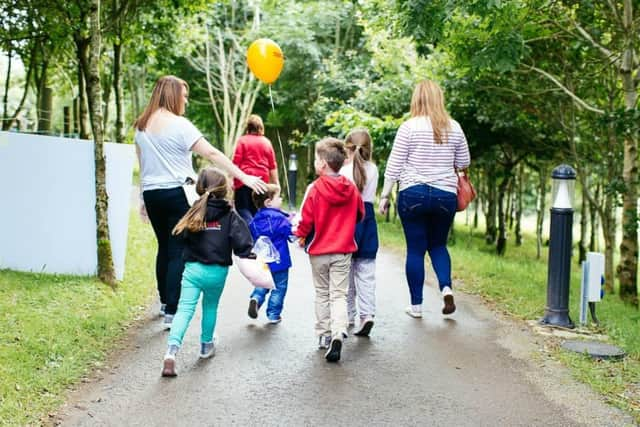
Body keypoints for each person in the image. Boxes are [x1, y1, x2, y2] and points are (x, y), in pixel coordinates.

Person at [134, 76, 266, 328]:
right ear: (172, 95)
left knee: (163, 246)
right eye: (183, 95)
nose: (186, 100)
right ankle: (172, 310)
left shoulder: (141, 127)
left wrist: (142, 197)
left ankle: (164, 302)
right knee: (177, 249)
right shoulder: (180, 125)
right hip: (177, 193)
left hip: (152, 194)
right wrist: (243, 177)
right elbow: (212, 153)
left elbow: (143, 166)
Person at [379, 80, 470, 318]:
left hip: (413, 193)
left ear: (416, 99)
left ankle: (417, 306)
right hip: (445, 195)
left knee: (416, 250)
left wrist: (384, 196)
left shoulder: (409, 127)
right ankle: (446, 288)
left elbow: (394, 165)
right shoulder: (455, 127)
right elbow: (463, 163)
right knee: (438, 245)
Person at [161, 167, 255, 377]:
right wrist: (250, 256)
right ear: (225, 190)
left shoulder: (193, 211)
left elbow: (181, 236)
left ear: (199, 187)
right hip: (217, 271)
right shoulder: (230, 215)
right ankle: (205, 346)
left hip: (192, 269)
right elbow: (243, 243)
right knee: (210, 307)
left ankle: (171, 352)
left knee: (184, 310)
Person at [295, 138, 364, 363]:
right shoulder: (351, 188)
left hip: (319, 251)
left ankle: (324, 336)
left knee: (322, 293)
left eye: (316, 158)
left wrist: (301, 235)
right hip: (343, 250)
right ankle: (338, 332)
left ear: (323, 163)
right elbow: (360, 214)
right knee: (339, 295)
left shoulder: (314, 189)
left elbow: (306, 220)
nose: (315, 162)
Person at [340, 129, 379, 337]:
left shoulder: (343, 172)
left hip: (347, 219)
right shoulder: (374, 169)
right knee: (366, 271)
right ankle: (367, 315)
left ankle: (348, 316)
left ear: (347, 149)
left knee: (345, 271)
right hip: (368, 219)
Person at [246, 184, 293, 324]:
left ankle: (256, 298)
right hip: (280, 261)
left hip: (262, 261)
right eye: (278, 197)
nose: (281, 198)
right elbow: (290, 232)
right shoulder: (280, 219)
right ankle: (273, 314)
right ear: (268, 202)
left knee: (263, 283)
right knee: (279, 287)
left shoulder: (253, 222)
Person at [232, 114, 279, 224]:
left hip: (244, 180)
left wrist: (231, 179)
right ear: (261, 127)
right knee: (257, 208)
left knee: (243, 208)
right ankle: (258, 231)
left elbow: (236, 162)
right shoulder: (266, 142)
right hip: (261, 181)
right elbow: (272, 165)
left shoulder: (242, 141)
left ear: (248, 127)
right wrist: (276, 183)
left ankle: (251, 229)